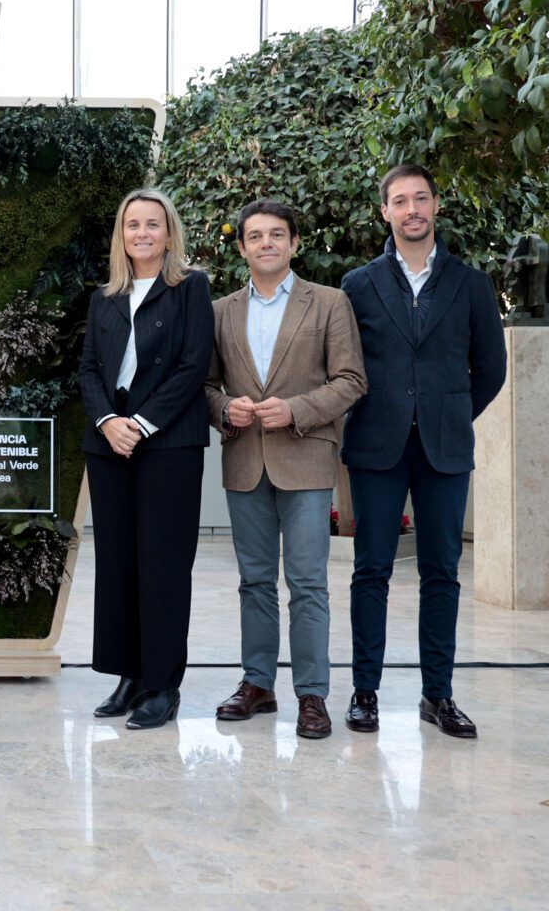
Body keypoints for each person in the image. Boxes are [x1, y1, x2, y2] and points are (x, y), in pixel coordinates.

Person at [341, 163, 507, 739]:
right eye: (399, 200)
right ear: (384, 212)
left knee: (442, 573)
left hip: (445, 449)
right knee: (371, 571)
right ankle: (365, 692)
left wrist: (449, 414)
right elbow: (346, 365)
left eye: (420, 198)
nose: (411, 209)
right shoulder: (357, 284)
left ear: (436, 205)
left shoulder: (472, 283)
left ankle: (438, 695)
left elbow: (491, 368)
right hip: (376, 445)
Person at [204, 199, 366, 740]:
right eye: (255, 236)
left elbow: (351, 380)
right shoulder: (220, 311)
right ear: (242, 247)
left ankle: (312, 694)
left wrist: (297, 410)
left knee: (308, 583)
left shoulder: (330, 303)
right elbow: (203, 386)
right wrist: (224, 409)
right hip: (245, 462)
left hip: (306, 461)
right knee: (254, 582)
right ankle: (257, 683)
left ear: (294, 243)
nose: (266, 243)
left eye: (277, 234)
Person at [80, 187, 214, 730]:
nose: (142, 233)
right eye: (132, 224)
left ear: (168, 232)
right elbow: (89, 370)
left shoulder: (191, 287)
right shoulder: (104, 297)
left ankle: (162, 684)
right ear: (122, 234)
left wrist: (140, 423)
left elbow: (193, 365)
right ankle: (129, 675)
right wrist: (108, 422)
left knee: (164, 566)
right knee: (117, 564)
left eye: (152, 224)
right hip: (108, 444)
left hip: (169, 443)